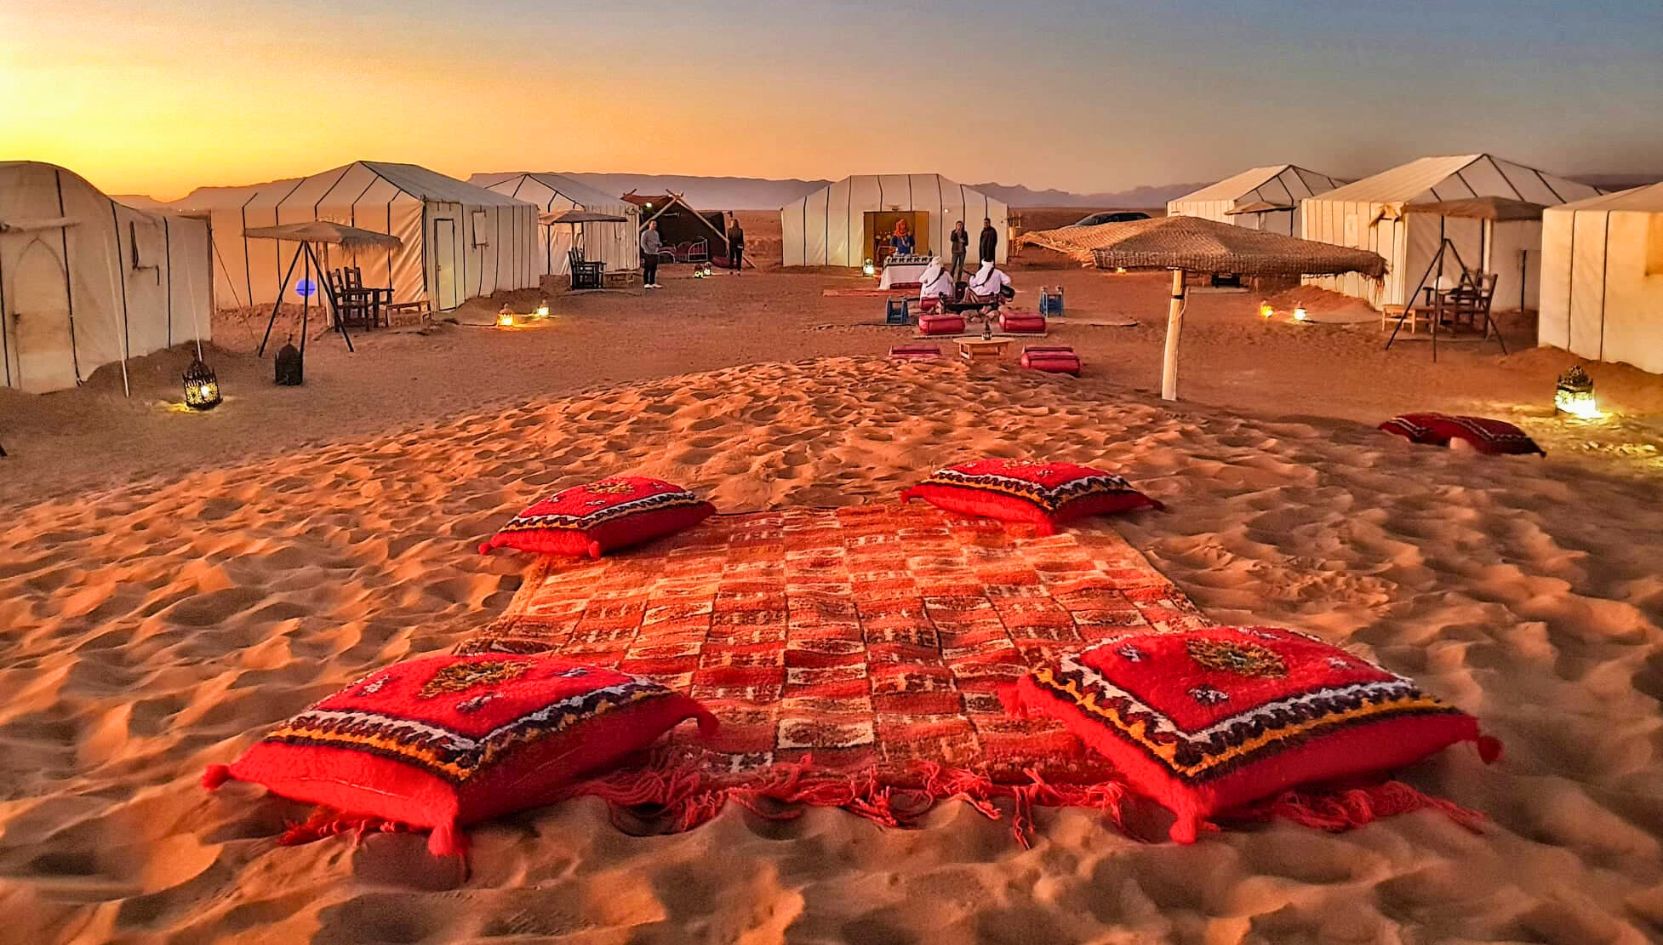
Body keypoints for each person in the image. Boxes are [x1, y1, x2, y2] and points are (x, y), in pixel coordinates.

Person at [640, 220, 662, 288]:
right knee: (647, 268)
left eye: (655, 224)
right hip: (648, 253)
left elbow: (657, 241)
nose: (654, 225)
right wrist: (647, 250)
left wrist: (659, 244)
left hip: (655, 252)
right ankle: (646, 283)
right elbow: (643, 243)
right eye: (653, 224)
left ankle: (652, 282)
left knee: (654, 268)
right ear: (649, 225)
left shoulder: (656, 233)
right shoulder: (645, 233)